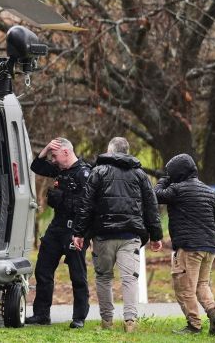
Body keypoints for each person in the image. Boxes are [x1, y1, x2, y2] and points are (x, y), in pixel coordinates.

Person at [72, 137, 163, 333]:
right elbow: (151, 206)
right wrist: (156, 235)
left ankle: (107, 321)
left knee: (104, 277)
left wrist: (79, 233)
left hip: (103, 235)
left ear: (110, 151)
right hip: (131, 235)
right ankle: (130, 320)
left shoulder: (98, 172)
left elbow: (86, 205)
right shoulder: (140, 174)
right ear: (127, 151)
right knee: (130, 278)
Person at [154, 153, 215, 335]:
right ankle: (213, 311)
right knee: (202, 284)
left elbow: (156, 195)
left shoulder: (177, 189)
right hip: (209, 247)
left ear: (177, 173)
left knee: (184, 288)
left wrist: (164, 180)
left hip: (189, 247)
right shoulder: (209, 192)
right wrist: (211, 238)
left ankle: (194, 326)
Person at [25, 137, 91, 329]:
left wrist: (61, 199)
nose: (52, 160)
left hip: (75, 230)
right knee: (43, 271)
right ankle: (41, 315)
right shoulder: (59, 171)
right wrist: (45, 149)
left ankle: (79, 317)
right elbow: (36, 167)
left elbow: (87, 205)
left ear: (66, 152)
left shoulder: (84, 173)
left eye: (54, 155)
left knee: (77, 275)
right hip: (56, 227)